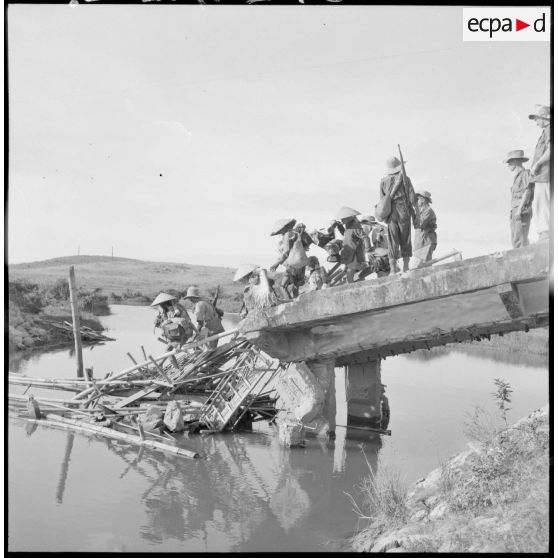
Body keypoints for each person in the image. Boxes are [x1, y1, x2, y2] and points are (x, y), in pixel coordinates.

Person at [379, 156, 418, 274]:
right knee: (405, 237)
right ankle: (406, 266)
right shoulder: (405, 178)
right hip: (403, 209)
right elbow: (412, 198)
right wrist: (416, 214)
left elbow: (382, 200)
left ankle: (393, 269)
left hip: (390, 211)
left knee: (392, 238)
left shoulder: (383, 181)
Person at [269, 218, 313, 299]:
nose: (280, 233)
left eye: (280, 231)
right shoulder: (297, 234)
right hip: (301, 265)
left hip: (291, 266)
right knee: (296, 286)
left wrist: (277, 264)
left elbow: (286, 253)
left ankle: (290, 303)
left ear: (283, 228)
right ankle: (297, 302)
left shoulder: (287, 235)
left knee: (282, 287)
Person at [528, 104, 551, 241]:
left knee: (542, 202)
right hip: (542, 175)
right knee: (541, 202)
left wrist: (537, 164)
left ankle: (545, 233)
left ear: (544, 117)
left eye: (537, 119)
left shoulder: (549, 130)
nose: (536, 122)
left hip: (544, 174)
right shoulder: (546, 131)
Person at [504, 150, 534, 248]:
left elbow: (527, 191)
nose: (508, 165)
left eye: (509, 162)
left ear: (516, 161)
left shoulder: (525, 173)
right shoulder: (517, 177)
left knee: (521, 241)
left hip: (521, 210)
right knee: (516, 241)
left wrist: (520, 209)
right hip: (515, 210)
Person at [336, 206, 368, 283]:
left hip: (354, 254)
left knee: (350, 274)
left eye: (343, 218)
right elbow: (346, 235)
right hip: (349, 254)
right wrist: (339, 226)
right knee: (353, 274)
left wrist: (368, 248)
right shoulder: (349, 228)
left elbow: (365, 237)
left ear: (349, 218)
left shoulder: (356, 227)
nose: (341, 220)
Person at [413, 190, 438, 262]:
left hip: (425, 242)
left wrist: (414, 213)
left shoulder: (428, 211)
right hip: (421, 242)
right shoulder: (423, 211)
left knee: (423, 266)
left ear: (423, 200)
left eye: (418, 199)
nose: (416, 201)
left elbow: (420, 224)